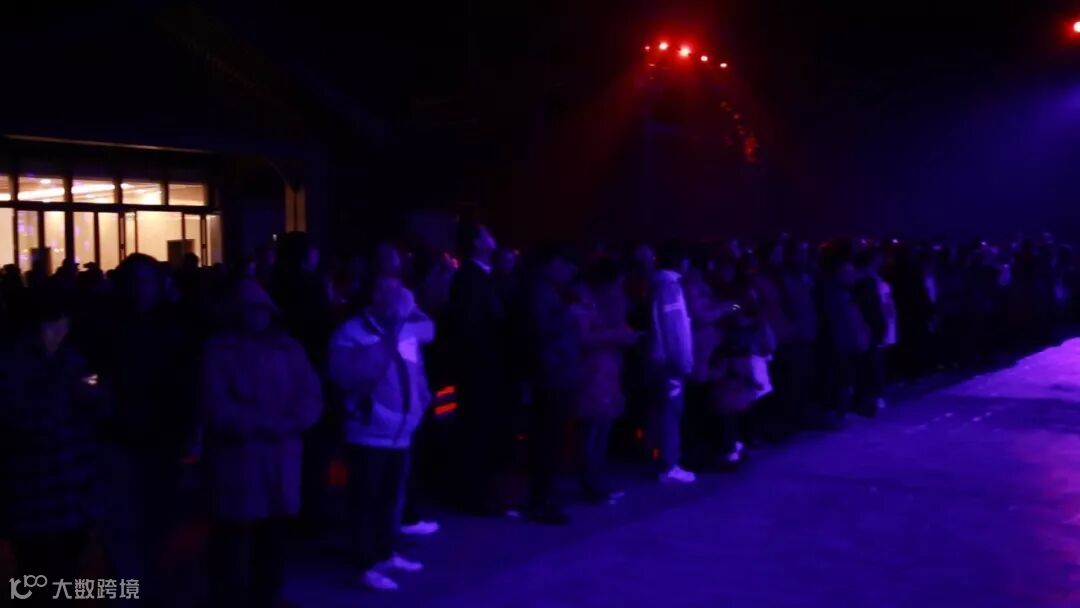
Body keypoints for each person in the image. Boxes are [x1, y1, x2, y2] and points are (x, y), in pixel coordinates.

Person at [200, 279, 323, 608]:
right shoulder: (219, 351)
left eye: (260, 310)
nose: (255, 316)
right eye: (247, 310)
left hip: (281, 457)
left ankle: (268, 595)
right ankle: (230, 598)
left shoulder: (289, 349)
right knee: (232, 536)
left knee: (273, 533)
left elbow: (311, 393)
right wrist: (264, 425)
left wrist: (296, 421)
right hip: (240, 458)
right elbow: (216, 405)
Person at [84, 253, 199, 602]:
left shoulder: (172, 325)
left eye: (146, 282)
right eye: (134, 283)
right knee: (124, 520)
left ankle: (139, 584)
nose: (140, 290)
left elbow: (188, 380)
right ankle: (131, 587)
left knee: (155, 516)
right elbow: (87, 372)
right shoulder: (107, 325)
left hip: (160, 433)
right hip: (122, 434)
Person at [329, 274, 435, 592]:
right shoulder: (351, 333)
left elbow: (428, 337)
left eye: (399, 292)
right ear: (372, 297)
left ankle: (385, 553)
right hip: (367, 430)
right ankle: (364, 563)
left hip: (401, 431)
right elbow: (350, 376)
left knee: (391, 500)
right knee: (366, 501)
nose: (396, 298)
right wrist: (389, 336)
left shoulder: (407, 330)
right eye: (387, 292)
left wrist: (422, 401)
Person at [0, 292, 103, 589]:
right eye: (53, 323)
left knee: (60, 572)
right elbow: (22, 420)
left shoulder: (72, 359)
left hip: (67, 485)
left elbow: (94, 406)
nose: (59, 331)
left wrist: (94, 396)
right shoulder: (15, 366)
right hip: (34, 486)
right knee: (38, 572)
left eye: (63, 323)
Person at [443, 222, 511, 514]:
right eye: (486, 233)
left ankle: (483, 493)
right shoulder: (469, 278)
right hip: (479, 369)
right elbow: (469, 327)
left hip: (487, 366)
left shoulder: (485, 275)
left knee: (484, 430)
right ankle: (475, 496)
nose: (492, 237)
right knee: (477, 430)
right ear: (476, 243)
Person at [521, 244, 582, 524]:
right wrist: (569, 314)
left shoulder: (548, 291)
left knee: (550, 438)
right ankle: (541, 501)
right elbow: (539, 330)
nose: (570, 270)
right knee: (546, 439)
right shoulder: (539, 291)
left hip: (556, 373)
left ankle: (545, 497)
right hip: (551, 375)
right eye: (564, 263)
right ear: (551, 263)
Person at [573, 258, 639, 500]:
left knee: (603, 425)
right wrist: (616, 336)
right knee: (592, 427)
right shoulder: (584, 299)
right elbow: (583, 338)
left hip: (608, 368)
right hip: (592, 370)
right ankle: (590, 484)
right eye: (618, 282)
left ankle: (596, 480)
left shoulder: (607, 300)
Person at [646, 242, 695, 483]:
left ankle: (663, 460)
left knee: (663, 411)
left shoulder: (661, 286)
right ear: (680, 261)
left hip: (664, 361)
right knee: (670, 412)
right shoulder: (669, 287)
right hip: (670, 364)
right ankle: (669, 465)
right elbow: (674, 329)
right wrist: (682, 362)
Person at [816, 242, 869, 420]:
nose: (852, 275)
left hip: (847, 342)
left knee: (847, 377)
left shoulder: (845, 294)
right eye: (848, 272)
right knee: (842, 378)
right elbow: (837, 322)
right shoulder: (832, 294)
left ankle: (844, 408)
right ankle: (837, 410)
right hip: (840, 343)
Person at [853, 248, 896, 413]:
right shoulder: (866, 280)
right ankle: (872, 396)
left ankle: (871, 395)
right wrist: (879, 325)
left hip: (873, 323)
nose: (881, 262)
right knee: (872, 362)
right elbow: (872, 306)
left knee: (873, 361)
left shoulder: (870, 278)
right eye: (878, 259)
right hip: (870, 324)